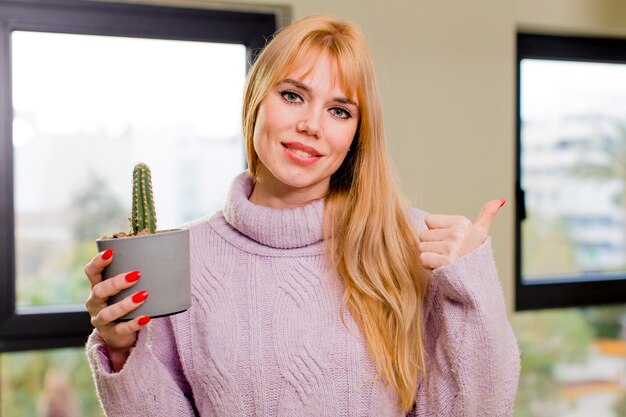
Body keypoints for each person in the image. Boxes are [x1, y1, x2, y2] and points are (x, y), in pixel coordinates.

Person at [84, 14, 520, 416]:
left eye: (339, 110)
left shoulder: (415, 244)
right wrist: (121, 351)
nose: (312, 125)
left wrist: (472, 288)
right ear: (257, 99)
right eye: (293, 95)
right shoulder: (182, 256)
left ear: (356, 134)